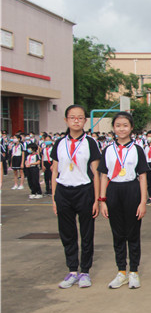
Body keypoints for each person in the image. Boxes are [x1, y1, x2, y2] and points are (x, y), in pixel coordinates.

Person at [51, 105, 101, 289]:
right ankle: (72, 270)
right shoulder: (59, 143)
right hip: (63, 191)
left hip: (84, 191)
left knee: (87, 233)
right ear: (66, 120)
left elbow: (95, 173)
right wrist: (54, 198)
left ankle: (85, 271)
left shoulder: (90, 143)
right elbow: (54, 171)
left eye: (80, 118)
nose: (76, 121)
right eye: (72, 117)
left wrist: (96, 199)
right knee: (67, 233)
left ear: (85, 121)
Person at [98, 112, 150, 289]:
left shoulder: (137, 149)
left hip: (132, 190)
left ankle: (134, 271)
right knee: (118, 234)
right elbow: (104, 176)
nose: (122, 129)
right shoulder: (107, 150)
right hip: (113, 191)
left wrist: (143, 202)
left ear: (131, 128)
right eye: (118, 125)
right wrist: (102, 200)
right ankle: (121, 271)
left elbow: (143, 177)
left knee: (133, 234)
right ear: (113, 128)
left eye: (125, 125)